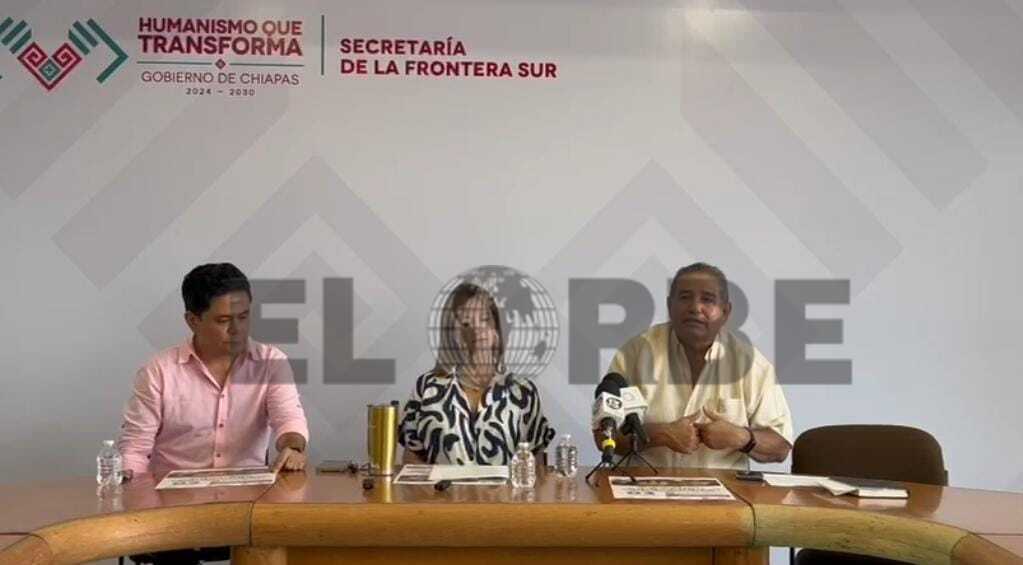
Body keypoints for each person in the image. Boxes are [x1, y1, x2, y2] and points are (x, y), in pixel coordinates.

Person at [118, 263, 309, 480]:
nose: (237, 329)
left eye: (243, 317)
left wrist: (293, 448)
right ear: (193, 321)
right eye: (223, 320)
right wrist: (133, 495)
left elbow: (289, 419)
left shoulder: (271, 362)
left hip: (247, 493)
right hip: (172, 495)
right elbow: (135, 449)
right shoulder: (159, 371)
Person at [600, 262, 792, 469]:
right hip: (640, 485)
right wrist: (659, 434)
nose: (695, 308)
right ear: (670, 306)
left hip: (725, 487)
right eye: (685, 298)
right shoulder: (635, 354)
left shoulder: (752, 365)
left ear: (725, 311)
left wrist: (741, 437)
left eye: (707, 300)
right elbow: (603, 437)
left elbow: (780, 447)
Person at [399, 283, 555, 464]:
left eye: (485, 319)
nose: (477, 329)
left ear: (496, 331)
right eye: (466, 323)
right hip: (441, 484)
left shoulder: (523, 391)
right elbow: (412, 457)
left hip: (506, 484)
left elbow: (537, 462)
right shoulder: (427, 387)